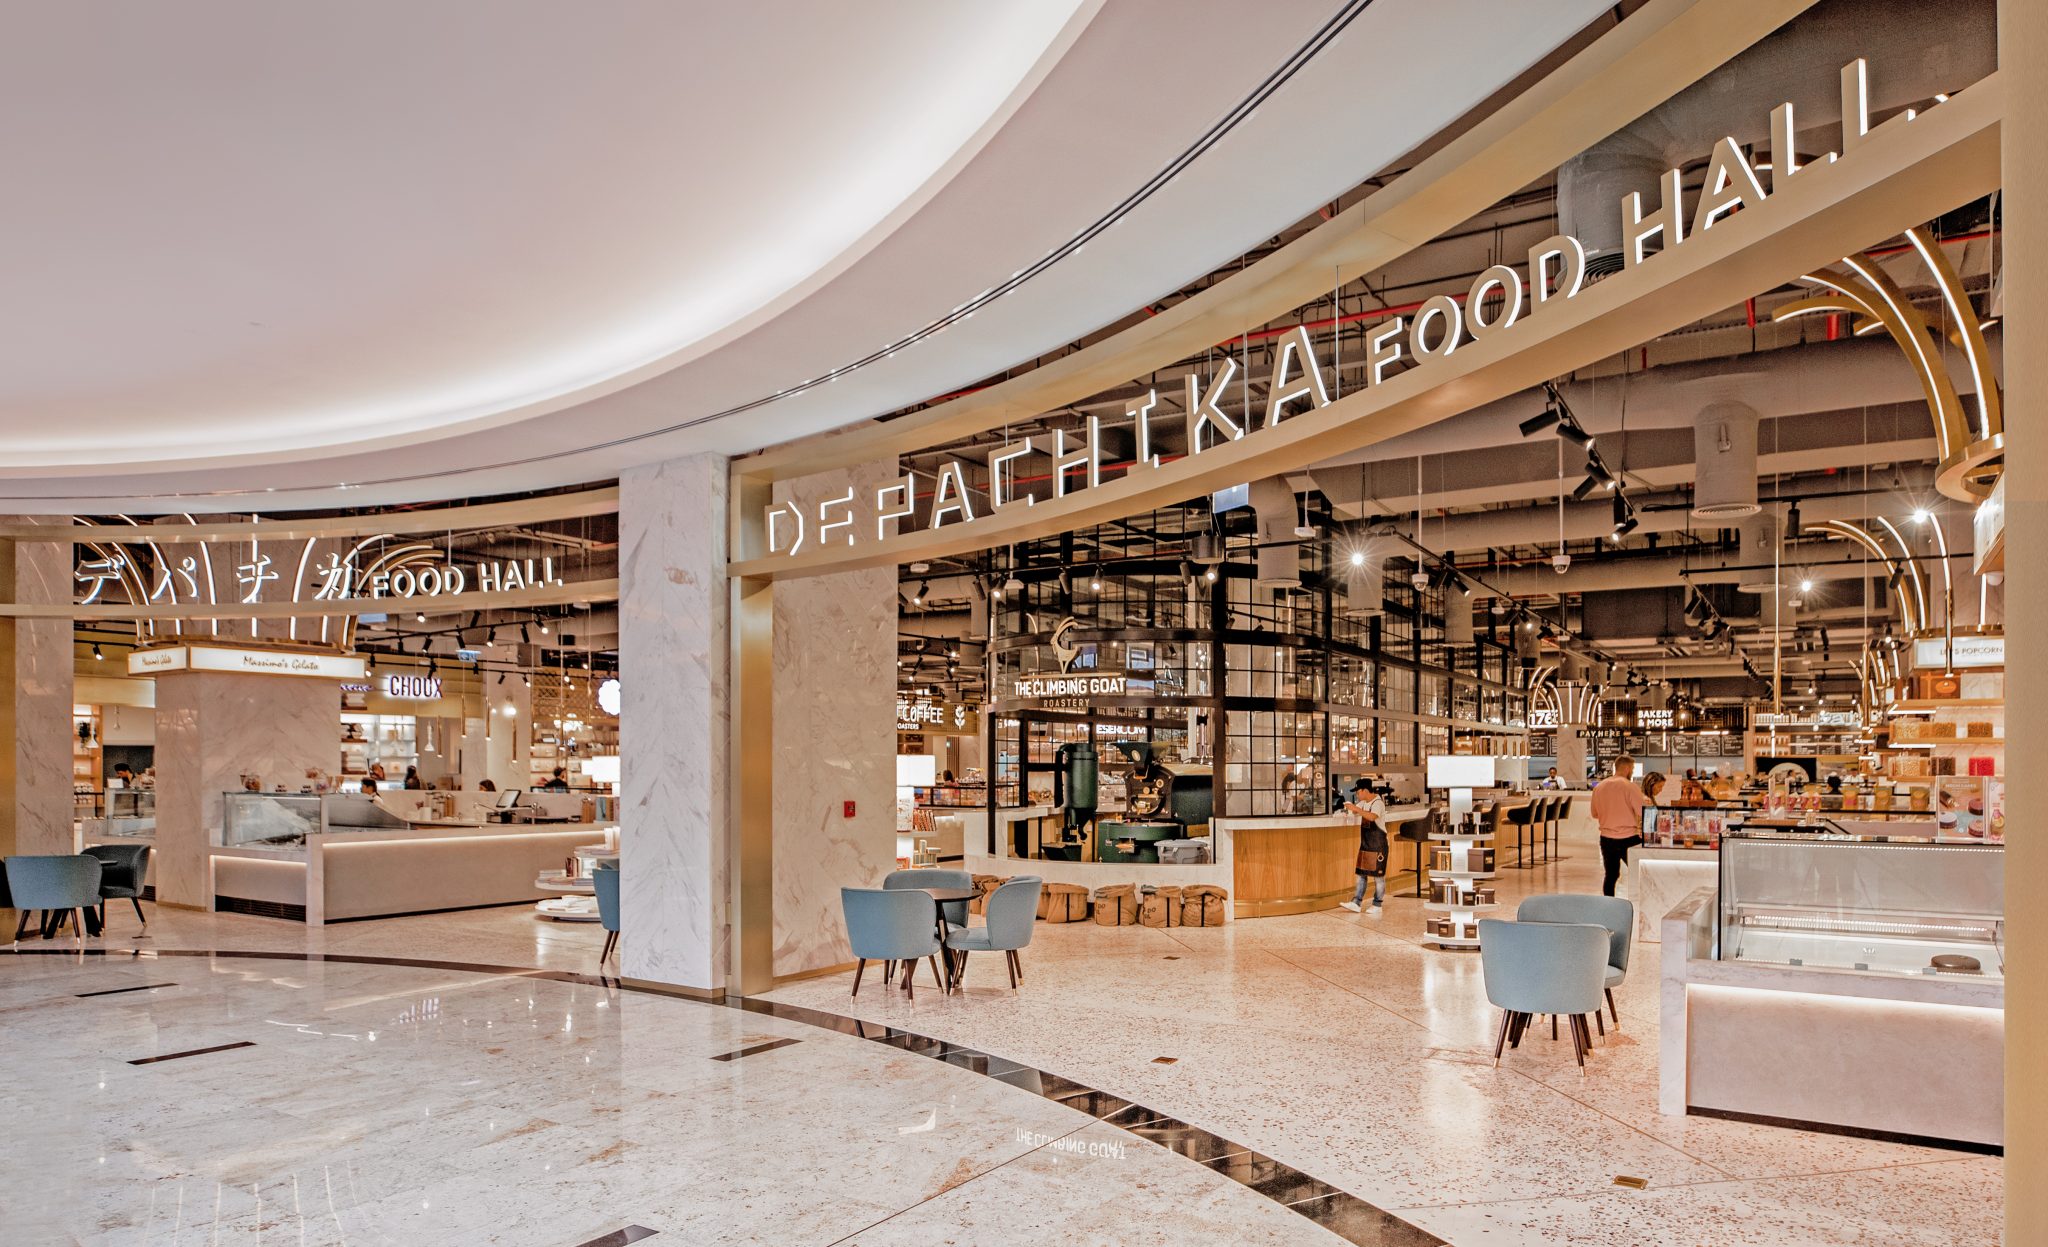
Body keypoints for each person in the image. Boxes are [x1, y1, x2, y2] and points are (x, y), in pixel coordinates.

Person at [1591, 754, 1649, 897]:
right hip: (1629, 838)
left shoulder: (1599, 787)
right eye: (1632, 769)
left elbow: (1594, 814)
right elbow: (1643, 812)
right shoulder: (1630, 786)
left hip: (1606, 838)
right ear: (1627, 768)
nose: (1632, 772)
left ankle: (1609, 904)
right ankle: (1640, 902)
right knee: (1641, 872)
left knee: (1611, 875)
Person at [1339, 780, 1390, 914]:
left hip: (1378, 846)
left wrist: (1356, 809)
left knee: (1378, 877)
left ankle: (1377, 905)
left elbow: (1372, 817)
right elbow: (1356, 811)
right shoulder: (1363, 803)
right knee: (1361, 874)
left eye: (1358, 792)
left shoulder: (1377, 803)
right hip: (1366, 845)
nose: (1357, 795)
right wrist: (1349, 809)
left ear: (1365, 790)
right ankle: (1356, 902)